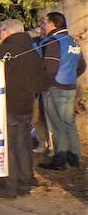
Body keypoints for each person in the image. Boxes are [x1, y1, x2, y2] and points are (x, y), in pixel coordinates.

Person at [0, 19, 44, 197]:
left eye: (0, 31)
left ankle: (10, 187)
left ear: (8, 31)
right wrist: (33, 93)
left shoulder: (1, 51)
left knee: (8, 146)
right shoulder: (33, 51)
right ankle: (25, 182)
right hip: (26, 104)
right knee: (23, 144)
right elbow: (41, 76)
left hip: (7, 104)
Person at [37, 12, 86, 170]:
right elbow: (82, 66)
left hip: (55, 88)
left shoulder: (53, 41)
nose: (43, 26)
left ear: (52, 24)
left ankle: (60, 160)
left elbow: (50, 68)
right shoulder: (72, 41)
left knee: (57, 126)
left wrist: (42, 86)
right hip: (69, 87)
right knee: (69, 123)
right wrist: (71, 76)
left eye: (45, 23)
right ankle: (75, 157)